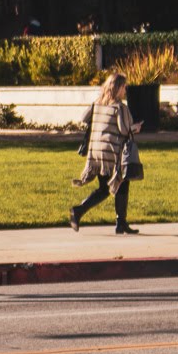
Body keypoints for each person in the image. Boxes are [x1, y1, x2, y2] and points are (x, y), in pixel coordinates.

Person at [70, 72, 143, 235]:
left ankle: (121, 223)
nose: (125, 90)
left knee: (117, 185)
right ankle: (78, 211)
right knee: (110, 186)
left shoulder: (98, 103)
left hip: (96, 151)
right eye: (124, 87)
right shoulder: (120, 107)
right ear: (118, 88)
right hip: (111, 152)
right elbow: (124, 130)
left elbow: (84, 118)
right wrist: (135, 128)